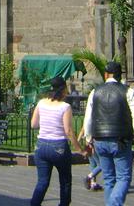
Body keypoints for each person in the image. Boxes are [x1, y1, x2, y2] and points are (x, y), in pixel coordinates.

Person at [82, 61, 134, 206]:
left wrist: (89, 138)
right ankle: (114, 204)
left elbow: (88, 117)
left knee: (109, 178)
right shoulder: (128, 91)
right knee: (123, 177)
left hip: (100, 139)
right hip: (120, 139)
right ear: (119, 75)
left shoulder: (95, 92)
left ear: (106, 74)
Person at [30, 76, 83, 206]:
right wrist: (79, 149)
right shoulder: (65, 107)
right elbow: (68, 131)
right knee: (65, 181)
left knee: (42, 182)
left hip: (41, 145)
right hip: (58, 146)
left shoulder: (41, 103)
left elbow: (33, 124)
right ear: (63, 89)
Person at [77, 127, 103, 191]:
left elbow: (83, 129)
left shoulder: (87, 118)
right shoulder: (94, 118)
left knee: (93, 164)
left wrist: (77, 141)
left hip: (88, 144)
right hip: (93, 144)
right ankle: (89, 177)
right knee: (101, 164)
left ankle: (93, 183)